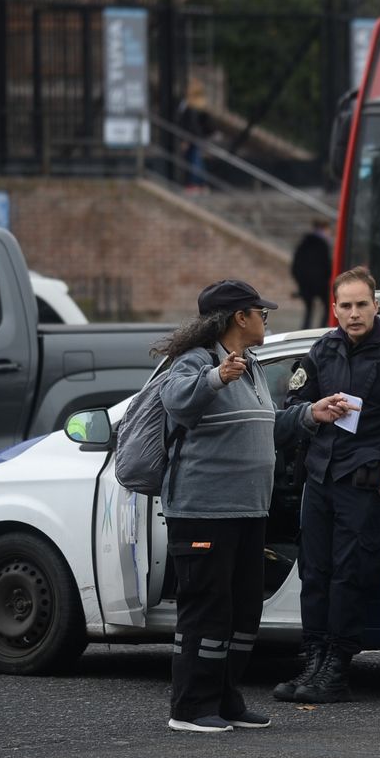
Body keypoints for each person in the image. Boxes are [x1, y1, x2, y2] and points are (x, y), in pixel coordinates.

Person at [155, 279, 337, 733]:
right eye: (261, 312)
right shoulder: (194, 361)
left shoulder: (251, 366)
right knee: (206, 609)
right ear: (240, 317)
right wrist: (216, 377)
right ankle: (190, 708)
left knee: (241, 613)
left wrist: (310, 415)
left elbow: (265, 426)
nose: (264, 319)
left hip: (248, 510)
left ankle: (226, 699)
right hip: (202, 511)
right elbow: (176, 402)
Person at [273, 266, 380, 704]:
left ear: (375, 306)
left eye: (361, 304)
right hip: (321, 475)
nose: (353, 313)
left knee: (350, 574)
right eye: (345, 306)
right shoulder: (322, 349)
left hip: (364, 479)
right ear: (334, 309)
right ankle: (314, 660)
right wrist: (315, 410)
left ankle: (337, 669)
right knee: (315, 573)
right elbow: (293, 403)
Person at [291, 218, 333, 328]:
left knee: (309, 309)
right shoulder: (323, 245)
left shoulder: (303, 243)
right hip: (321, 284)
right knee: (328, 306)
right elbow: (327, 265)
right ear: (323, 229)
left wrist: (300, 281)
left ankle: (305, 329)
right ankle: (323, 329)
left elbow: (295, 266)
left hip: (305, 284)